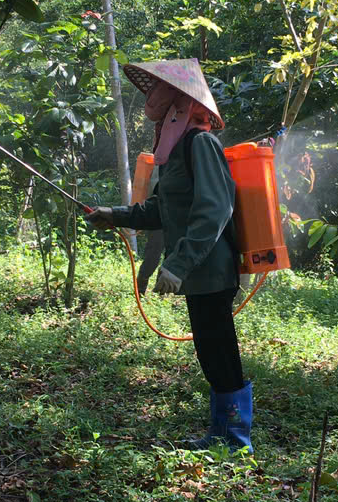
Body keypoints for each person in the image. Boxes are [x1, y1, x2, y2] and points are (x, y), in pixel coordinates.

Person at [87, 59, 252, 453]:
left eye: (163, 94)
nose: (155, 103)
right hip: (196, 273)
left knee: (220, 352)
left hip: (210, 269)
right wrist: (114, 215)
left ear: (184, 103)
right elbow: (160, 210)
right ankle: (222, 434)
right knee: (210, 352)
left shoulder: (201, 144)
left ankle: (236, 439)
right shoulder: (175, 151)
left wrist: (177, 264)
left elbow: (215, 209)